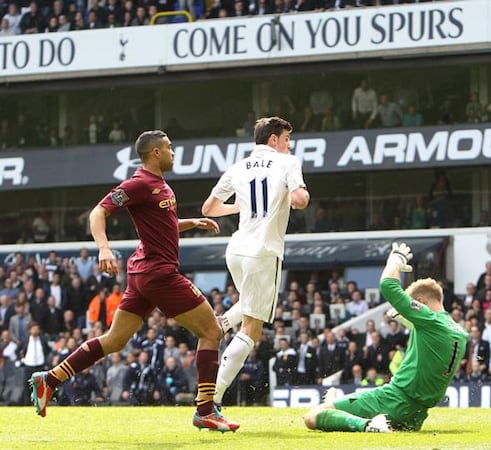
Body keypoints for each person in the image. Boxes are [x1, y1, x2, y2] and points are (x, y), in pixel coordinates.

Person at [29, 130, 239, 432]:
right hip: (158, 273)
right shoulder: (139, 184)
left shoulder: (160, 186)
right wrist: (103, 248)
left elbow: (161, 227)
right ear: (155, 153)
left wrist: (190, 223)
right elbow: (98, 212)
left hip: (143, 273)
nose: (173, 152)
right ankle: (206, 410)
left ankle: (49, 379)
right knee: (212, 330)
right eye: (168, 148)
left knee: (114, 341)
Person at [201, 116, 309, 406]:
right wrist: (296, 195)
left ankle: (222, 323)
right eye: (286, 139)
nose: (288, 145)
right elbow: (300, 200)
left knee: (248, 305)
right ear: (273, 140)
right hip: (263, 251)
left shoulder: (237, 168)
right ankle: (213, 396)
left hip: (235, 250)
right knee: (253, 327)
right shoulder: (288, 163)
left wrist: (238, 205)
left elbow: (208, 208)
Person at [304, 242, 468, 432]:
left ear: (421, 302)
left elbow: (388, 285)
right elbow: (433, 344)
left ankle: (368, 426)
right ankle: (333, 400)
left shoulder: (429, 320)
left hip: (394, 399)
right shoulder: (459, 333)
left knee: (312, 417)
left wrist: (395, 260)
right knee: (333, 406)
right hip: (415, 416)